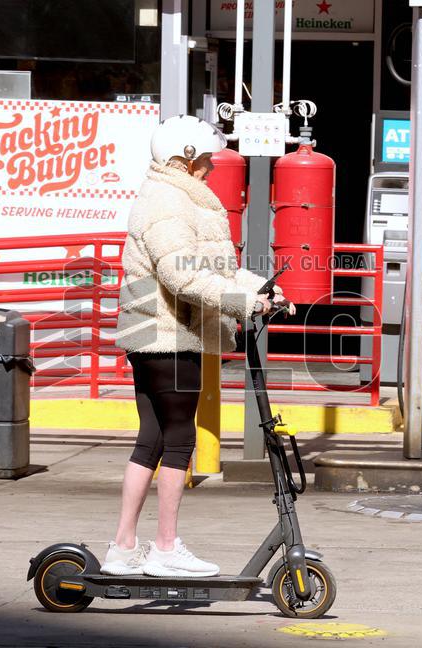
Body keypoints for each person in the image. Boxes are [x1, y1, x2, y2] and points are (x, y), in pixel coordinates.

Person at [109, 115, 294, 577]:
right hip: (167, 334)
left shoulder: (173, 197)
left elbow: (217, 272)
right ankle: (165, 548)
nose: (211, 168)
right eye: (207, 159)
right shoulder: (168, 202)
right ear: (186, 158)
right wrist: (244, 302)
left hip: (158, 333)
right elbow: (182, 276)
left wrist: (259, 294)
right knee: (178, 440)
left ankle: (123, 548)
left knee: (151, 439)